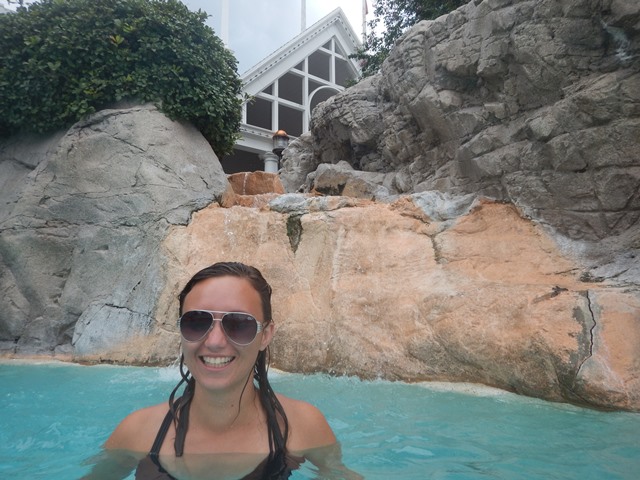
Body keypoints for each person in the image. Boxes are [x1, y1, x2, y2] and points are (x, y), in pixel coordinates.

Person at [85, 261, 355, 479]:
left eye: (239, 324)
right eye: (196, 322)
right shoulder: (138, 433)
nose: (214, 342)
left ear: (265, 335)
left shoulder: (302, 427)